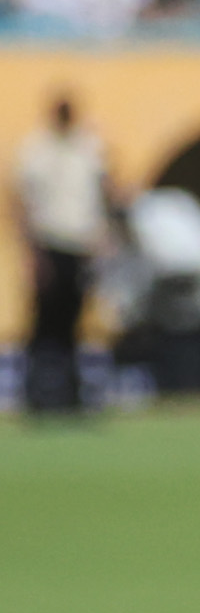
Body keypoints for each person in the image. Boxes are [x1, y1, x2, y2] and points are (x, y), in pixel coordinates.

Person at [18, 86, 118, 422]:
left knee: (75, 324)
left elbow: (105, 189)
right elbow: (21, 203)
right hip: (50, 244)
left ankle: (72, 397)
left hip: (81, 245)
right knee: (44, 325)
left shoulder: (88, 147)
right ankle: (37, 397)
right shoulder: (36, 150)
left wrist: (105, 236)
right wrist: (30, 253)